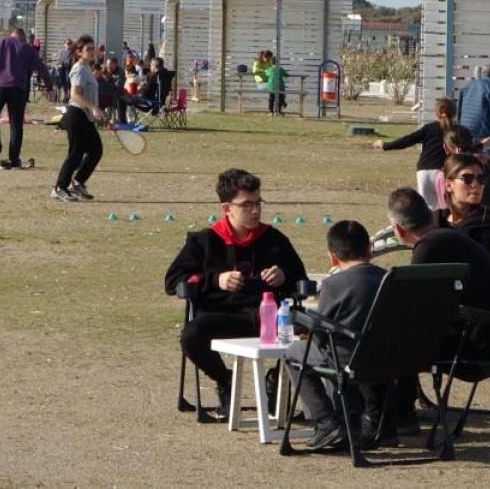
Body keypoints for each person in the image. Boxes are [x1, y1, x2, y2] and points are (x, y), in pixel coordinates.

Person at [163, 168, 309, 417]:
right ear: (226, 208)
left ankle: (277, 380)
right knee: (191, 335)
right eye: (246, 205)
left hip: (269, 317)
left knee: (313, 332)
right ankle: (225, 381)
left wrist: (284, 275)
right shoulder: (204, 241)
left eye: (258, 203)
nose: (255, 210)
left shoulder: (274, 239)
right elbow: (173, 282)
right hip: (221, 317)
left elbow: (301, 281)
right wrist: (215, 280)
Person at [384, 187, 490, 427]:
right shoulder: (450, 238)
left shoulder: (429, 248)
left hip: (476, 348)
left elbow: (413, 307)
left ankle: (399, 414)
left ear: (398, 230)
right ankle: (401, 410)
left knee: (392, 336)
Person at [283, 220, 386, 451]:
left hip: (349, 359)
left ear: (332, 256)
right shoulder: (388, 278)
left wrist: (302, 325)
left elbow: (321, 333)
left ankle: (326, 422)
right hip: (389, 360)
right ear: (369, 249)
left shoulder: (334, 284)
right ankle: (356, 422)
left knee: (294, 353)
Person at [0, 27, 55, 169]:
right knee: (16, 124)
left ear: (12, 34)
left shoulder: (0, 41)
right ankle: (14, 158)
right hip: (18, 88)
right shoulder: (28, 49)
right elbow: (41, 67)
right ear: (23, 37)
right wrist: (49, 87)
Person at [372, 97, 458, 210]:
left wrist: (385, 145)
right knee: (447, 207)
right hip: (444, 172)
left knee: (427, 209)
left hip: (424, 171)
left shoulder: (429, 128)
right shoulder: (457, 130)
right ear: (454, 113)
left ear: (437, 113)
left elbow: (408, 140)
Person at [434, 153, 490, 267]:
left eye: (481, 179)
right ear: (449, 185)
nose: (475, 184)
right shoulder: (436, 220)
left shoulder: (486, 222)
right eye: (467, 179)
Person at [52, 35, 104, 201]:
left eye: (93, 48)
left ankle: (78, 183)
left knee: (96, 149)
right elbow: (75, 95)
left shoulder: (87, 68)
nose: (91, 52)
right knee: (75, 154)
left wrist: (97, 111)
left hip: (85, 116)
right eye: (88, 49)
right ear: (79, 52)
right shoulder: (79, 68)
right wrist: (93, 108)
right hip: (76, 115)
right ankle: (59, 188)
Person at [437, 126, 490, 219]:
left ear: (445, 147)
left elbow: (448, 208)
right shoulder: (486, 161)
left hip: (478, 220)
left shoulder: (454, 170)